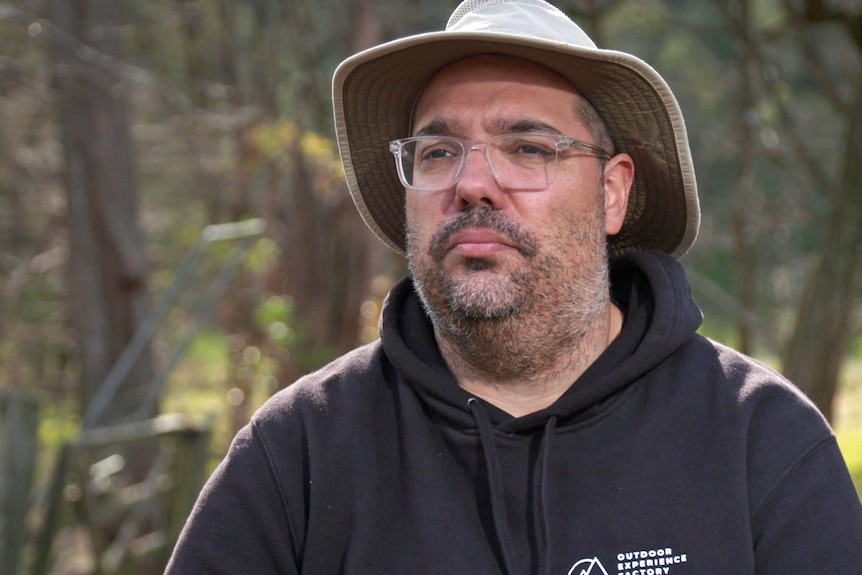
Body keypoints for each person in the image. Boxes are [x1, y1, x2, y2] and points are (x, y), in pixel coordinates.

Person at [166, 0, 862, 573]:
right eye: (438, 152)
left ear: (612, 193)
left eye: (528, 148)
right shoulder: (298, 456)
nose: (471, 183)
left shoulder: (760, 442)